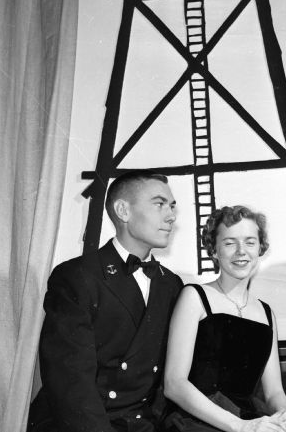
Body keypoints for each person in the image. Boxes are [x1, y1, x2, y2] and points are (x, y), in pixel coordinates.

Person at [27, 171, 183, 432]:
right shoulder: (76, 276)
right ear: (123, 210)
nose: (170, 216)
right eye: (159, 204)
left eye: (171, 206)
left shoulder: (171, 284)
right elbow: (71, 383)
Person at [163, 205, 286, 432]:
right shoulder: (194, 297)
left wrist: (283, 417)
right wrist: (240, 427)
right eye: (229, 242)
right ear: (214, 250)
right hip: (195, 421)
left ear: (260, 249)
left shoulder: (266, 313)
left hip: (250, 419)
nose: (241, 251)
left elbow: (274, 392)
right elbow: (174, 384)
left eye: (250, 242)